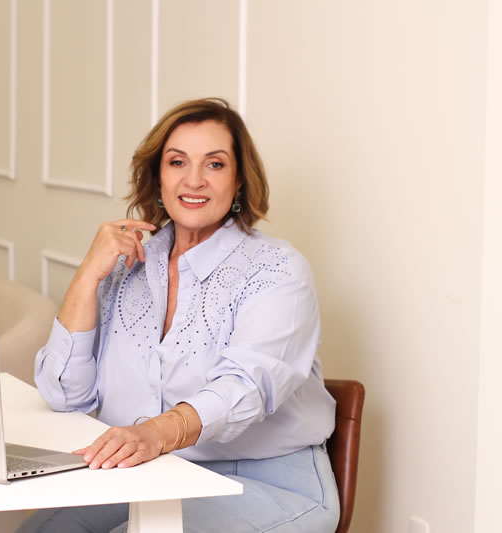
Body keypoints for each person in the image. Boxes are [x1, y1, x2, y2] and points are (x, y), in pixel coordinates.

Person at [17, 98, 339, 533]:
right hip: (155, 472)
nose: (194, 180)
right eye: (177, 162)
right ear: (158, 177)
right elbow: (64, 396)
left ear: (239, 181)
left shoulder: (278, 272)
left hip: (263, 478)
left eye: (215, 164)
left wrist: (154, 433)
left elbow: (244, 386)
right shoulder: (128, 264)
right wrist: (87, 276)